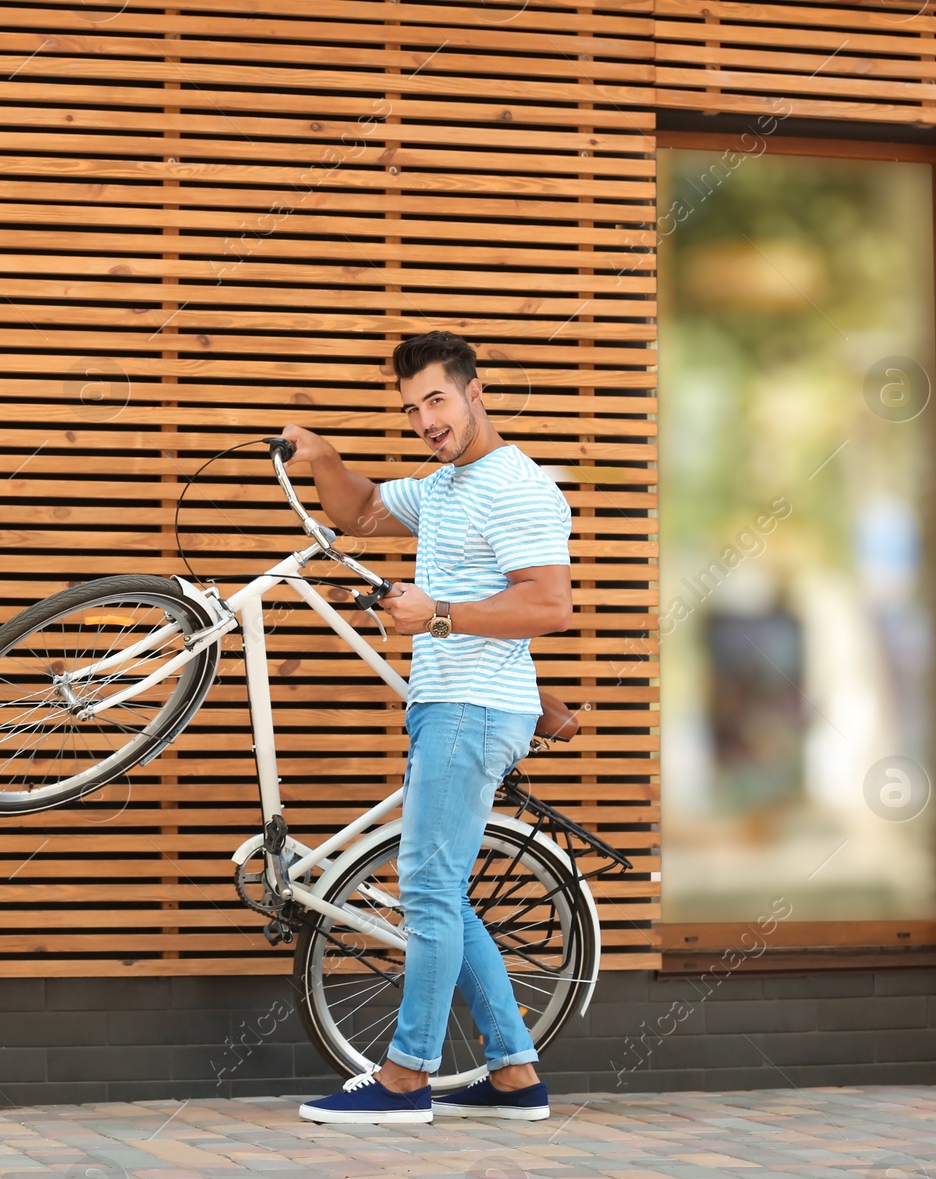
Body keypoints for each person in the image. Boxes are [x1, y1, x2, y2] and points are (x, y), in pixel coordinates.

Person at [279, 330, 574, 1125]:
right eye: (412, 408)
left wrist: (436, 616)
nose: (426, 420)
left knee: (428, 890)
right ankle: (514, 1074)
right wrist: (326, 458)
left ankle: (407, 1078)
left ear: (477, 393)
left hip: (471, 708)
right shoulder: (445, 486)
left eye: (437, 400)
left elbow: (550, 604)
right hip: (452, 706)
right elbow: (366, 509)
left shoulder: (514, 486)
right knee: (444, 892)